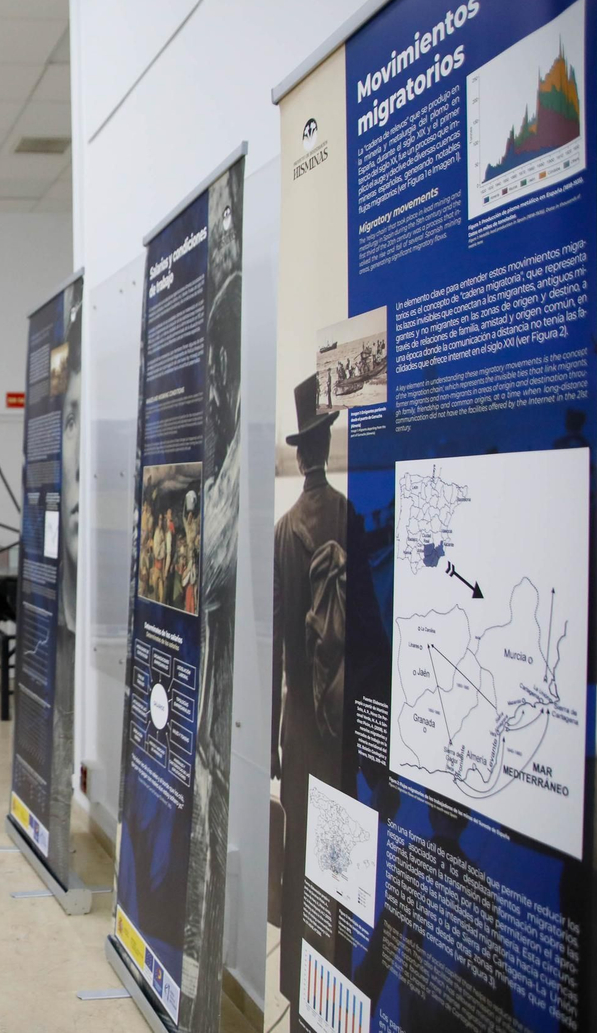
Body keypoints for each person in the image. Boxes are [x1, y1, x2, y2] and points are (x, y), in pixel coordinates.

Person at [271, 373, 351, 1002]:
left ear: (303, 453)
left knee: (300, 847)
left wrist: (276, 731)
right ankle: (338, 979)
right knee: (339, 854)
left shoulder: (283, 529)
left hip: (299, 717)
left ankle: (299, 985)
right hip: (342, 721)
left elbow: (277, 638)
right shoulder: (348, 517)